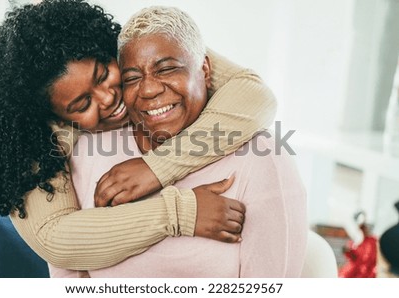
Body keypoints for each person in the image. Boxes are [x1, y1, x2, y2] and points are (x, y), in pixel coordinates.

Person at [0, 0, 276, 272]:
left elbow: (253, 92)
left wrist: (155, 167)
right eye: (82, 103)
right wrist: (179, 213)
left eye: (103, 74)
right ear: (55, 118)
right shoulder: (33, 139)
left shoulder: (131, 47)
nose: (108, 98)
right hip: (26, 245)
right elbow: (56, 239)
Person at [50, 6, 307, 278]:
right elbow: (68, 273)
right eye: (132, 78)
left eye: (167, 69)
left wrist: (156, 168)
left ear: (205, 69)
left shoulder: (261, 157)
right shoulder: (88, 154)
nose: (149, 89)